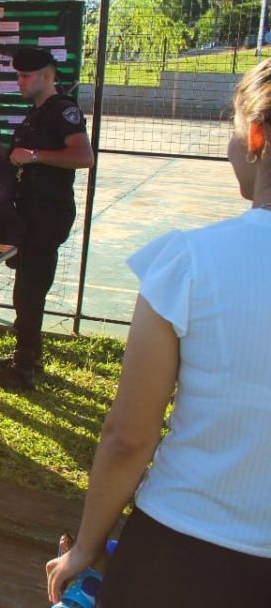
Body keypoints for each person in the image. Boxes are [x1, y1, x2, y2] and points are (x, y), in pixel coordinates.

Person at [45, 58, 271, 608]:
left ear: (256, 135)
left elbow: (128, 436)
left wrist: (85, 547)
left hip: (184, 549)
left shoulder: (191, 263)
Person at [0, 48, 93, 390]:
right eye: (17, 75)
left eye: (25, 76)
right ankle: (28, 355)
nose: (19, 82)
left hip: (46, 213)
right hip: (30, 212)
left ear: (47, 76)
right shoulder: (38, 112)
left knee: (31, 289)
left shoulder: (62, 110)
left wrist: (33, 156)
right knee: (28, 288)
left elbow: (83, 156)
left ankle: (24, 368)